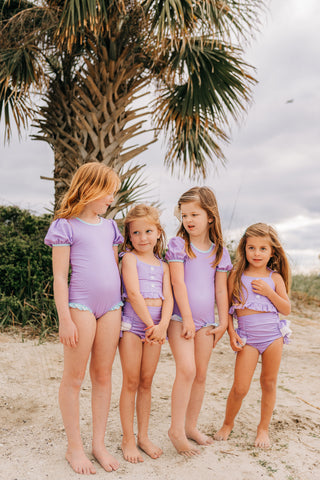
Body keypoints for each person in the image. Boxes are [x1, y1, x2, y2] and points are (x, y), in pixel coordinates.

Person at [44, 162, 123, 475]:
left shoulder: (111, 228)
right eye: (108, 193)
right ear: (90, 188)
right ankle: (74, 447)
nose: (111, 200)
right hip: (81, 307)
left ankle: (98, 444)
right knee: (74, 378)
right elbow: (60, 277)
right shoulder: (65, 225)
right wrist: (65, 318)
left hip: (112, 308)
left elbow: (114, 269)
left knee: (103, 375)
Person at [165, 186, 232, 456]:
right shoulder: (179, 245)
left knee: (201, 375)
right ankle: (176, 430)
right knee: (187, 371)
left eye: (195, 214)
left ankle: (191, 426)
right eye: (184, 215)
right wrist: (189, 319)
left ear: (210, 217)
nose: (189, 220)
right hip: (181, 319)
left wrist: (224, 322)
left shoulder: (219, 252)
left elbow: (220, 290)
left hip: (206, 323)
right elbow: (177, 282)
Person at [214, 223, 291, 448]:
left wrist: (269, 292)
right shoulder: (236, 274)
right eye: (251, 248)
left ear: (272, 252)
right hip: (247, 338)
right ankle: (228, 423)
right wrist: (231, 333)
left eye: (262, 249)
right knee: (240, 387)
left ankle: (263, 428)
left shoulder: (274, 278)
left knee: (268, 383)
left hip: (273, 337)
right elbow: (227, 308)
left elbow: (285, 308)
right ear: (244, 249)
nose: (256, 253)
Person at [119, 204, 173, 463]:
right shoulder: (129, 259)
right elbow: (133, 293)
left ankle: (143, 435)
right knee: (130, 381)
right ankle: (127, 438)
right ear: (129, 236)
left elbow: (169, 299)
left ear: (158, 232)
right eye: (136, 233)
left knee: (146, 382)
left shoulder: (163, 266)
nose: (142, 238)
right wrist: (150, 325)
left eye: (148, 231)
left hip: (156, 328)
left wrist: (162, 326)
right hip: (133, 324)